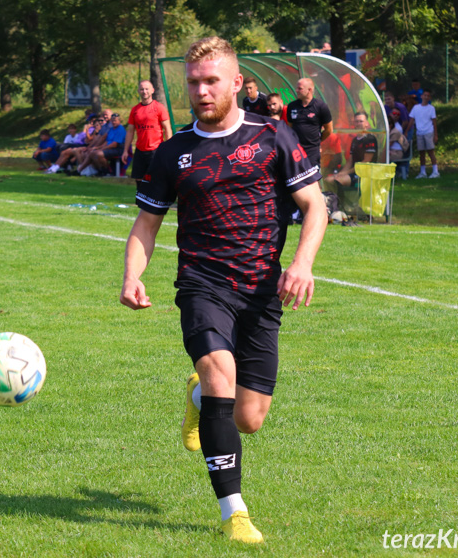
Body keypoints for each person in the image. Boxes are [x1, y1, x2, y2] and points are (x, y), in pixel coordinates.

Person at [121, 36, 327, 544]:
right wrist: (131, 275)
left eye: (211, 81)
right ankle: (233, 511)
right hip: (202, 285)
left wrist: (301, 265)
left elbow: (315, 206)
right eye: (193, 83)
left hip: (261, 290)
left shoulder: (274, 136)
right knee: (220, 375)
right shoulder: (173, 153)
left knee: (250, 418)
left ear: (236, 82)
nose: (201, 91)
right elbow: (147, 224)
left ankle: (194, 396)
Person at [119, 80, 172, 182]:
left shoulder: (159, 107)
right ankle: (140, 198)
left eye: (147, 89)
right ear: (139, 91)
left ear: (152, 90)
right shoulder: (135, 110)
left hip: (155, 150)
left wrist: (168, 148)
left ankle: (156, 198)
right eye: (142, 89)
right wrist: (125, 150)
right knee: (139, 180)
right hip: (140, 150)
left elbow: (167, 129)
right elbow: (130, 131)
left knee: (155, 179)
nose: (144, 91)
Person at [286, 78, 333, 169]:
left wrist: (316, 142)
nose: (296, 90)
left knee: (312, 179)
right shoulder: (292, 106)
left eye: (300, 88)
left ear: (309, 90)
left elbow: (329, 130)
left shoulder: (321, 106)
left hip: (312, 151)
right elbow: (290, 128)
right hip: (296, 150)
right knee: (297, 179)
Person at [327, 111, 377, 188]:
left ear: (366, 123)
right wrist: (341, 173)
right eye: (356, 121)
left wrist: (346, 173)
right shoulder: (355, 140)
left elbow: (365, 162)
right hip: (353, 172)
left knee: (338, 181)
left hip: (365, 174)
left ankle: (339, 199)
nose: (358, 123)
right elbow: (349, 161)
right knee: (328, 180)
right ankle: (334, 199)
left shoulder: (370, 139)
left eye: (361, 121)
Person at [409, 90, 440, 179]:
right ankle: (423, 172)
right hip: (419, 133)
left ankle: (435, 171)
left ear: (429, 98)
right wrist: (407, 130)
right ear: (421, 96)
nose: (426, 97)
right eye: (424, 95)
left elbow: (434, 122)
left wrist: (435, 135)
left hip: (428, 132)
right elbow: (411, 120)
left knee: (430, 152)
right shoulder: (416, 108)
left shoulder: (431, 108)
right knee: (421, 153)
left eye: (428, 96)